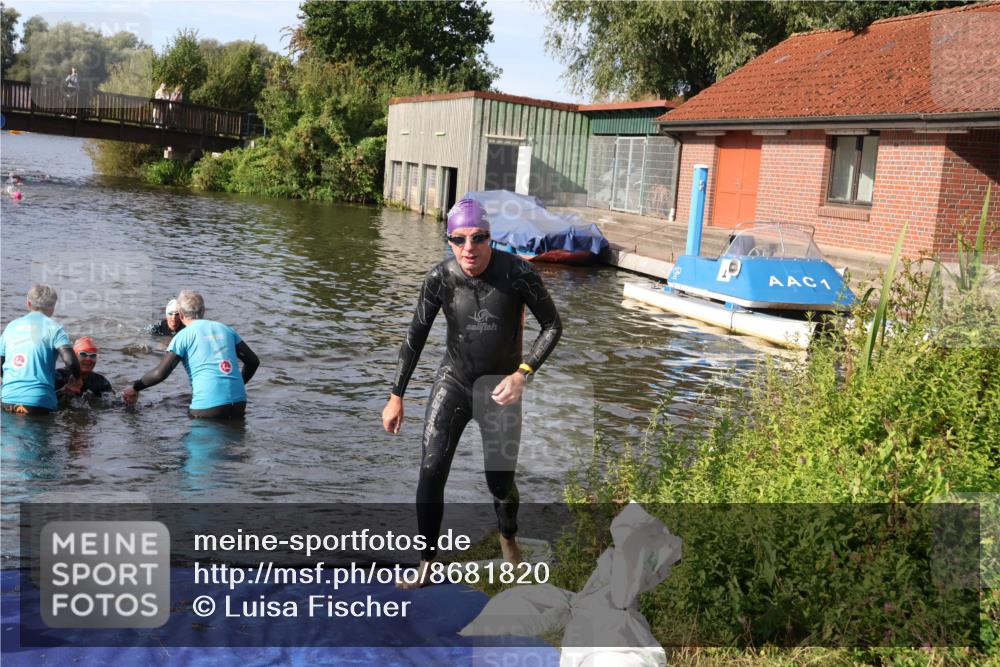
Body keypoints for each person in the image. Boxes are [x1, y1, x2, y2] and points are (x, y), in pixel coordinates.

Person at [382, 198, 562, 588]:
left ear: (490, 238)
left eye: (478, 238)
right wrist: (397, 394)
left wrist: (522, 374)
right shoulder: (439, 278)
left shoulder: (518, 273)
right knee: (431, 469)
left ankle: (508, 538)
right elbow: (415, 336)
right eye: (459, 239)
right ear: (449, 241)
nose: (469, 248)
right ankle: (427, 563)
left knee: (499, 482)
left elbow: (552, 326)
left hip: (500, 389)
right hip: (454, 381)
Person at [123, 290, 259, 419]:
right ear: (203, 311)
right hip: (239, 404)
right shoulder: (226, 329)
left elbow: (160, 374)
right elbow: (253, 362)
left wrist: (136, 387)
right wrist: (239, 384)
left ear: (181, 314)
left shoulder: (183, 336)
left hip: (207, 408)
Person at [0, 284, 81, 415]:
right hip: (38, 402)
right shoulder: (55, 328)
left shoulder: (11, 327)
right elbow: (70, 361)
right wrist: (77, 378)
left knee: (10, 435)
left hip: (7, 399)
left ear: (28, 303)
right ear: (53, 308)